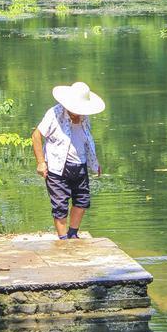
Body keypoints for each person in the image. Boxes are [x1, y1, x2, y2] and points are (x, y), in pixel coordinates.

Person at [32, 81, 105, 239]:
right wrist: (40, 162)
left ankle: (73, 234)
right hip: (57, 167)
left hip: (80, 164)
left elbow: (86, 140)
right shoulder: (54, 113)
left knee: (82, 200)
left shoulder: (85, 118)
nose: (78, 112)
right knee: (60, 205)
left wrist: (95, 163)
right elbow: (36, 135)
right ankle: (63, 239)